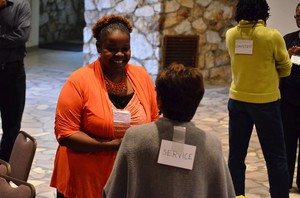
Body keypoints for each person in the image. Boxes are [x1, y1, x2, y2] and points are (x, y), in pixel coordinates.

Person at [50, 14, 160, 198]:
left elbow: (154, 119)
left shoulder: (141, 77)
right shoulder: (79, 81)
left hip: (127, 178)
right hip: (84, 180)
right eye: (112, 49)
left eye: (125, 48)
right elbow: (66, 134)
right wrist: (113, 145)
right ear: (99, 47)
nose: (119, 54)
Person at [103, 63, 236, 198]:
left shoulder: (135, 138)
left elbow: (112, 192)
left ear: (159, 100)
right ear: (197, 100)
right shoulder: (211, 145)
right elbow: (224, 193)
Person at [225, 0, 292, 197]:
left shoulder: (231, 35)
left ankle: (237, 196)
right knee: (276, 158)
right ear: (264, 11)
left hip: (237, 101)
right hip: (266, 104)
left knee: (236, 157)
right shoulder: (272, 36)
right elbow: (286, 68)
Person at [0, 0, 31, 162]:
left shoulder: (21, 5)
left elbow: (22, 36)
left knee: (11, 126)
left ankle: (3, 170)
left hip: (13, 72)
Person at [280, 2, 300, 191]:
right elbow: (277, 67)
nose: (298, 19)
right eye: (297, 16)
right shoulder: (287, 39)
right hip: (288, 102)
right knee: (287, 145)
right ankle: (283, 183)